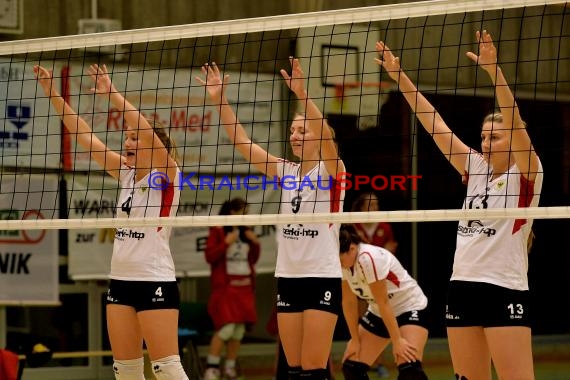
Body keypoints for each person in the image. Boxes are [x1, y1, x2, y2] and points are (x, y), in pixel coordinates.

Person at [376, 30, 542, 380]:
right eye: (482, 136)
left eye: (494, 136)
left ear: (514, 139)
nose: (485, 142)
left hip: (503, 288)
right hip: (462, 286)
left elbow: (514, 121)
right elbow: (434, 123)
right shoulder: (475, 167)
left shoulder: (527, 172)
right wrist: (400, 78)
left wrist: (494, 72)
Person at [35, 64, 189, 380]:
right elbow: (84, 136)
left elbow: (147, 132)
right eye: (127, 138)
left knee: (167, 369)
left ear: (154, 147)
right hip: (120, 280)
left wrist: (113, 95)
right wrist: (51, 93)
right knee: (126, 371)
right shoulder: (127, 174)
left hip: (154, 279)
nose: (129, 143)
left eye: (135, 138)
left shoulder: (167, 175)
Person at [196, 58, 345, 379]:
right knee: (293, 370)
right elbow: (241, 142)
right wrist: (219, 99)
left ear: (318, 135)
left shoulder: (333, 172)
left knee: (315, 370)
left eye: (302, 130)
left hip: (321, 276)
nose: (295, 135)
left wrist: (303, 95)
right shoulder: (286, 171)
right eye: (292, 130)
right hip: (289, 277)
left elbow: (329, 143)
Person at [338, 224, 429, 380]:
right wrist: (354, 339)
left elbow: (383, 301)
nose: (337, 263)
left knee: (409, 369)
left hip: (409, 307)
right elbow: (348, 302)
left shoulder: (368, 258)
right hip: (378, 312)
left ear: (352, 249)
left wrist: (397, 340)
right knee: (351, 367)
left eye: (339, 259)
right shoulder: (344, 263)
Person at [203, 198, 261, 380]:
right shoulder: (218, 230)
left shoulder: (246, 233)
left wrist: (256, 243)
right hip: (226, 289)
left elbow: (253, 259)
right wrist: (226, 243)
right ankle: (211, 367)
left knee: (239, 331)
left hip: (244, 287)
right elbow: (210, 256)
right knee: (226, 329)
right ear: (231, 212)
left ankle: (230, 367)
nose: (246, 216)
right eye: (243, 212)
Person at [350, 191, 398, 377]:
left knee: (382, 322)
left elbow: (390, 253)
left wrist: (385, 253)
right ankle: (362, 361)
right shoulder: (354, 226)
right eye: (371, 205)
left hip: (380, 282)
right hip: (359, 282)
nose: (375, 208)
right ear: (362, 207)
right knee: (362, 323)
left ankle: (378, 364)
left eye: (376, 204)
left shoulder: (385, 227)